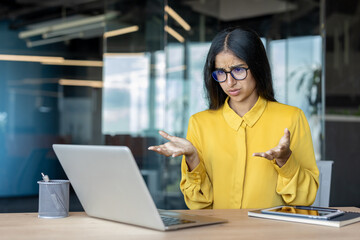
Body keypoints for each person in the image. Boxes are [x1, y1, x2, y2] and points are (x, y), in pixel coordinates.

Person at [148, 26, 319, 209]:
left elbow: (305, 199)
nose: (230, 82)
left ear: (257, 67)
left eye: (238, 70)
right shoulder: (200, 123)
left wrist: (285, 161)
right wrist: (192, 159)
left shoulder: (291, 118)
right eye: (221, 72)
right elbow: (197, 205)